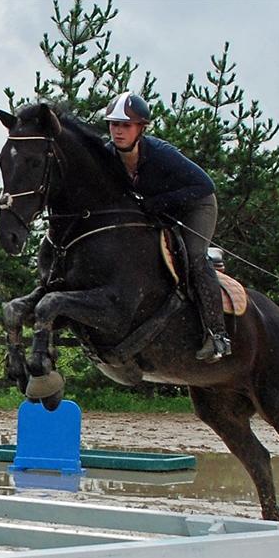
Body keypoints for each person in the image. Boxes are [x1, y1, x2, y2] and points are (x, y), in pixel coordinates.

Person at [103, 91, 232, 361]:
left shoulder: (162, 154)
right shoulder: (107, 156)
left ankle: (217, 335)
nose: (118, 131)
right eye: (114, 125)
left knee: (194, 257)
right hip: (157, 211)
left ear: (141, 128)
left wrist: (159, 202)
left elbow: (205, 186)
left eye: (125, 125)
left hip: (197, 206)